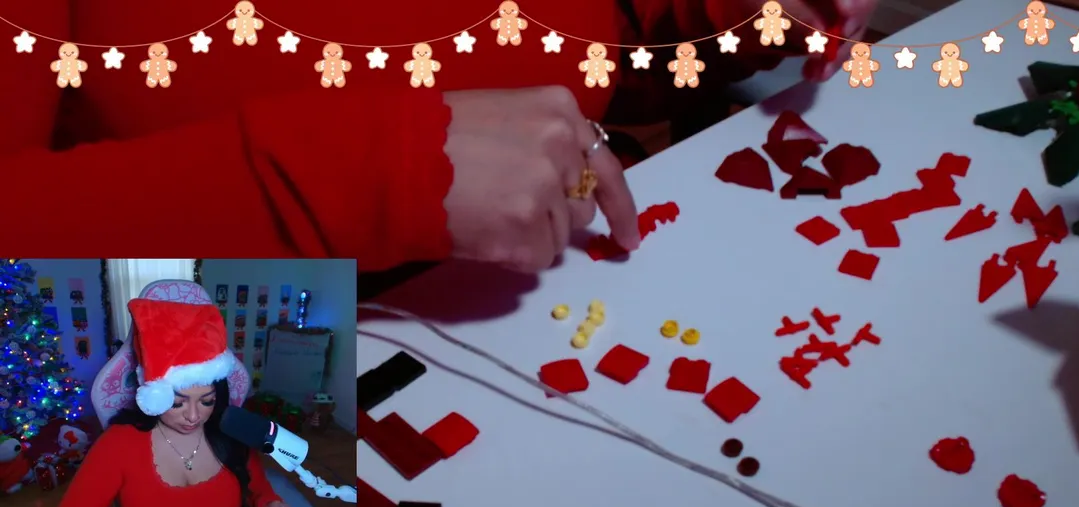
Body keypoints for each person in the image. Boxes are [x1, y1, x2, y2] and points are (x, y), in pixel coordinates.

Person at [0, 0, 875, 276]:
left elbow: (604, 35)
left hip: (568, 278)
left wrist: (731, 15)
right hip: (239, 347)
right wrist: (369, 175)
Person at [57, 297, 286, 507]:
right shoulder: (118, 444)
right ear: (154, 396)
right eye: (177, 404)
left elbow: (260, 491)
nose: (194, 416)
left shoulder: (232, 431)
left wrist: (269, 504)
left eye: (207, 401)